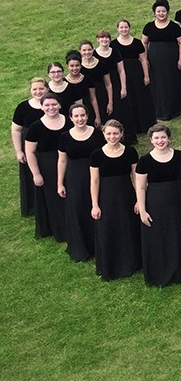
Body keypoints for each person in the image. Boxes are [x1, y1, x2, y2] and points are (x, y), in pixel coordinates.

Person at [135, 124, 181, 286]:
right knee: (160, 236)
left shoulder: (180, 156)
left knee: (180, 234)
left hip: (179, 201)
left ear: (169, 138)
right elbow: (141, 187)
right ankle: (162, 271)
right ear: (151, 140)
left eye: (163, 137)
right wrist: (142, 210)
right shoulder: (144, 161)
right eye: (156, 138)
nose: (160, 141)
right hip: (155, 204)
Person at [90, 120, 141, 280]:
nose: (112, 137)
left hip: (126, 195)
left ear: (121, 133)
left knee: (128, 227)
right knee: (108, 228)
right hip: (106, 197)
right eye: (109, 133)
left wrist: (139, 200)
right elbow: (94, 181)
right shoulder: (96, 155)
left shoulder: (130, 152)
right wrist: (95, 205)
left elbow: (136, 177)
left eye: (115, 133)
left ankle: (131, 262)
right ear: (104, 134)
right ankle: (111, 263)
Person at [56, 103, 103, 262]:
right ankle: (82, 247)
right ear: (71, 118)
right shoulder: (65, 137)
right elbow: (62, 160)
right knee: (78, 208)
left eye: (82, 115)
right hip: (75, 177)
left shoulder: (97, 134)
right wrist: (60, 183)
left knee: (96, 205)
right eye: (76, 116)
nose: (80, 119)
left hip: (96, 175)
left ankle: (98, 245)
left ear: (87, 116)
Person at [25, 93, 69, 240]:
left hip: (68, 163)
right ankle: (60, 230)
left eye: (54, 104)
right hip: (47, 167)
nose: (51, 108)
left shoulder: (69, 121)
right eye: (47, 105)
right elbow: (30, 152)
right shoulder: (36, 127)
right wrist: (36, 173)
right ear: (42, 107)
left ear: (60, 105)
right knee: (53, 199)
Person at [141, 0, 181, 121]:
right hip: (155, 61)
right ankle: (159, 109)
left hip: (171, 60)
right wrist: (145, 59)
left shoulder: (174, 27)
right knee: (158, 84)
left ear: (167, 12)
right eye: (158, 11)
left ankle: (174, 109)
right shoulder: (149, 27)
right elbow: (144, 43)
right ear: (154, 13)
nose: (161, 13)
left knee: (171, 82)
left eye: (163, 11)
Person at [112, 19, 156, 134]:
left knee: (140, 98)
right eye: (121, 27)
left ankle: (143, 125)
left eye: (126, 27)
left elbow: (143, 60)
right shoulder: (113, 45)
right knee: (128, 100)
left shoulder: (137, 43)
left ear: (129, 28)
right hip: (121, 75)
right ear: (117, 29)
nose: (124, 29)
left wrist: (146, 75)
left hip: (136, 74)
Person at [11, 78, 47, 217]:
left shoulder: (52, 104)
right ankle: (33, 207)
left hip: (46, 147)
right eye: (35, 89)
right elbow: (16, 130)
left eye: (41, 88)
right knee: (31, 175)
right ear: (30, 90)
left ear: (47, 89)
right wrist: (19, 151)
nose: (38, 91)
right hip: (28, 146)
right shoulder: (23, 107)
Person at [94, 29, 136, 144]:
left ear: (110, 39)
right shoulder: (94, 54)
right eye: (102, 37)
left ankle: (124, 138)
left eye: (106, 37)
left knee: (121, 111)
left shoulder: (115, 52)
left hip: (117, 84)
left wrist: (123, 87)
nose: (104, 40)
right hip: (102, 87)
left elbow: (121, 70)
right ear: (97, 39)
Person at [79, 39, 114, 127]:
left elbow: (108, 84)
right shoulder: (79, 67)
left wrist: (110, 102)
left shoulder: (101, 64)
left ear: (93, 49)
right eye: (84, 50)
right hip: (86, 96)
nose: (87, 52)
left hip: (101, 94)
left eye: (89, 49)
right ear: (80, 51)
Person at [64, 51, 98, 121]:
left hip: (87, 111)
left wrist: (97, 116)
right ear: (67, 66)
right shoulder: (64, 81)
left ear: (81, 65)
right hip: (70, 114)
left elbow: (93, 99)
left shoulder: (87, 79)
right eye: (72, 66)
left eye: (77, 65)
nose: (75, 68)